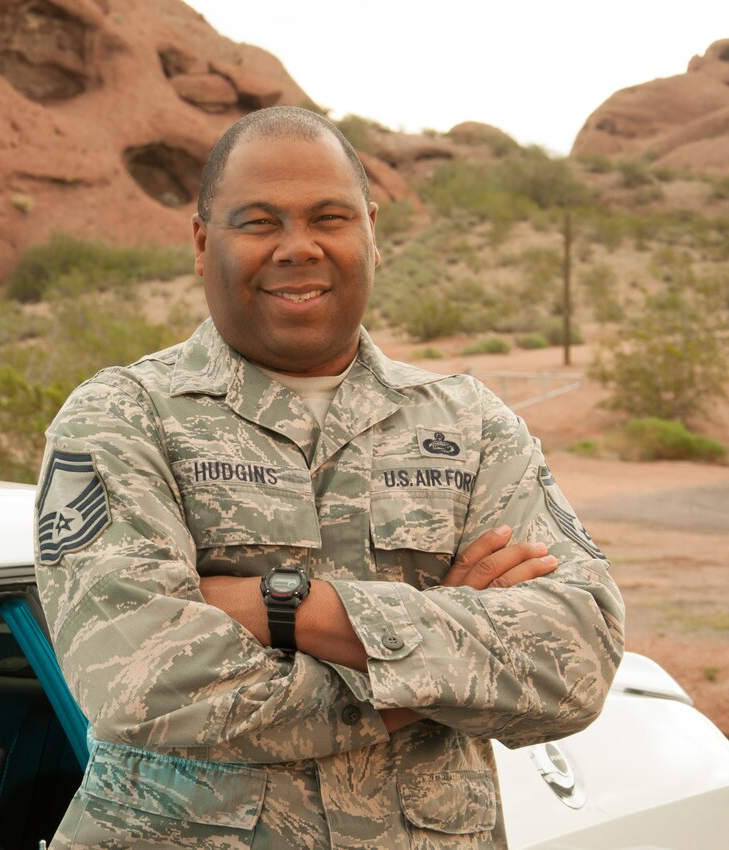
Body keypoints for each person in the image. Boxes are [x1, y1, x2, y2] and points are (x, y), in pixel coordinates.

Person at [33, 106, 623, 849]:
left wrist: (290, 611)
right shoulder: (122, 419)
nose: (297, 248)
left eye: (329, 217)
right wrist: (440, 664)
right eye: (258, 222)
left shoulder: (471, 426)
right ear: (201, 241)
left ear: (372, 233)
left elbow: (575, 660)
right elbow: (141, 685)